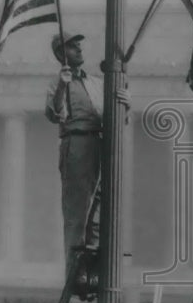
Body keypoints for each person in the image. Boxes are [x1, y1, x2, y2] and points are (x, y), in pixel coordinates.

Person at [44, 30, 129, 284]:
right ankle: (75, 270)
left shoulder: (95, 82)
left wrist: (126, 104)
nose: (79, 49)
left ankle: (94, 264)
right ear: (61, 54)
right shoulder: (58, 81)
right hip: (77, 141)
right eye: (72, 47)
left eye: (80, 45)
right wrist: (62, 85)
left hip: (102, 141)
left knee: (102, 204)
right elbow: (54, 113)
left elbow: (114, 116)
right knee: (78, 209)